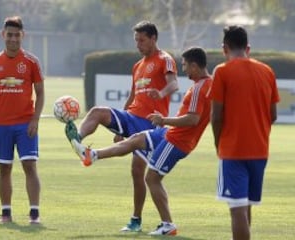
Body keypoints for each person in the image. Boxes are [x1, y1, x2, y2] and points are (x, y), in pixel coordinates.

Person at [70, 47, 212, 235]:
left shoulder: (199, 87)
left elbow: (193, 119)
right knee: (136, 140)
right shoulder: (209, 84)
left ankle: (168, 224)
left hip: (177, 141)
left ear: (194, 66)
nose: (184, 69)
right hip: (170, 133)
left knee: (151, 178)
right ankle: (92, 155)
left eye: (185, 65)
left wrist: (164, 120)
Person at [65, 20, 178, 232]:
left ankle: (136, 220)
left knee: (137, 171)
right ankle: (77, 140)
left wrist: (161, 93)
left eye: (142, 40)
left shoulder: (165, 59)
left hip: (150, 124)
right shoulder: (137, 65)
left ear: (153, 39)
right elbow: (132, 96)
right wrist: (120, 128)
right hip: (132, 117)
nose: (138, 45)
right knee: (98, 111)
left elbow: (174, 83)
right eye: (136, 40)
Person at [210, 26, 280, 240]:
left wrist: (218, 144)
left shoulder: (222, 71)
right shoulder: (267, 71)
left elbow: (216, 116)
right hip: (260, 151)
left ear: (225, 48)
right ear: (247, 48)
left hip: (233, 151)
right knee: (245, 205)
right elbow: (273, 115)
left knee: (237, 209)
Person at [0, 16, 45, 224]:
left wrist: (35, 119)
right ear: (3, 35)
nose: (13, 39)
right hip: (2, 125)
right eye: (10, 35)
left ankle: (34, 214)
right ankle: (6, 214)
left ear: (22, 35)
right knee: (4, 168)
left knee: (29, 165)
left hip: (26, 123)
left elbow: (41, 93)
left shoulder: (31, 62)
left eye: (17, 35)